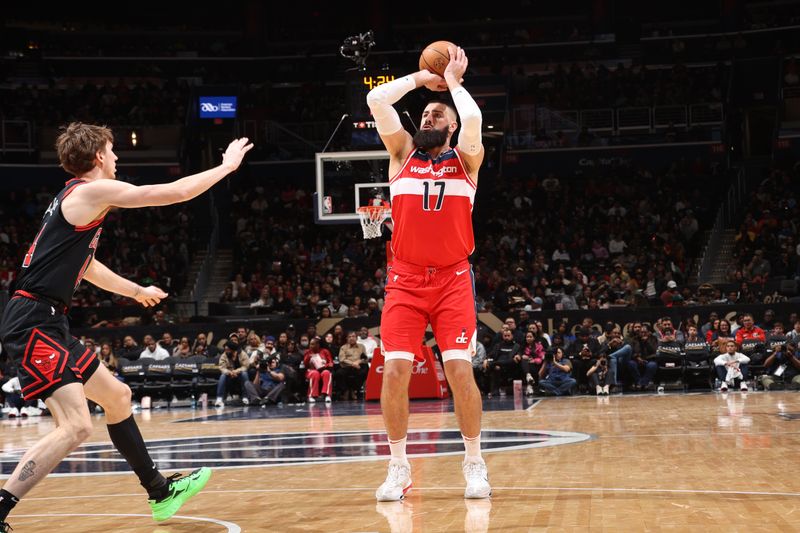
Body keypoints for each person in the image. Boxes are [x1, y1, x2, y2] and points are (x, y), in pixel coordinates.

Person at [0, 122, 252, 530]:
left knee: (117, 396)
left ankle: (159, 491)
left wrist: (135, 291)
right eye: (113, 151)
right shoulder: (90, 191)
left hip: (46, 319)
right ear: (99, 156)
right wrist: (225, 167)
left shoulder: (76, 200)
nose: (117, 158)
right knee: (77, 425)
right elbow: (170, 193)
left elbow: (88, 265)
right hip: (32, 321)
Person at [366, 45, 490, 500]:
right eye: (424, 116)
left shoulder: (467, 160)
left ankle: (474, 462)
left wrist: (454, 85)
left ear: (451, 124)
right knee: (394, 371)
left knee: (459, 371)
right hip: (405, 279)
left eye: (437, 116)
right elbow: (377, 102)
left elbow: (473, 121)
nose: (427, 120)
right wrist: (423, 80)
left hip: (453, 280)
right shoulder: (401, 154)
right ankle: (398, 466)